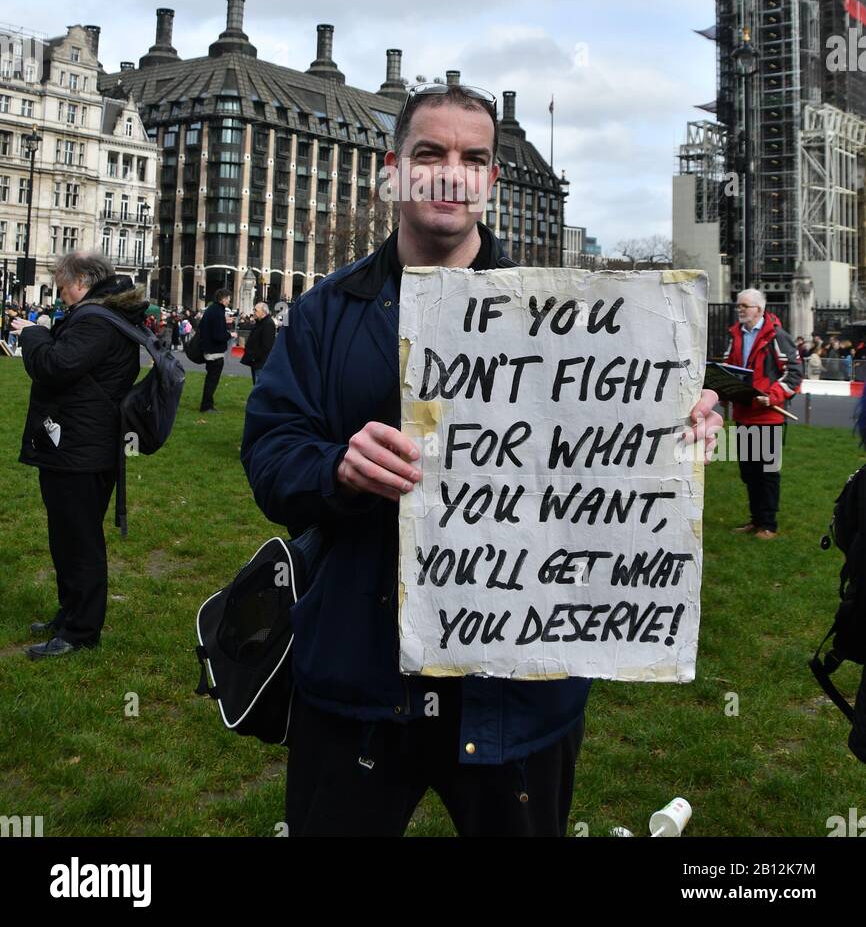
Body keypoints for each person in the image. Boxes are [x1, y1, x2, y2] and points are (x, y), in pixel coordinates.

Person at [241, 82, 723, 838]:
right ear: (393, 170)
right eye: (428, 153)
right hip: (360, 681)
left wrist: (672, 425)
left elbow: (611, 470)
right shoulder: (324, 313)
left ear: (491, 181)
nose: (449, 173)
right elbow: (270, 454)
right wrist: (336, 466)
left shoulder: (571, 321)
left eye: (472, 158)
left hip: (518, 690)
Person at [12, 251, 147, 659]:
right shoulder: (105, 315)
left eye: (64, 285)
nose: (62, 293)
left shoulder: (94, 320)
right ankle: (70, 614)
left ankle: (81, 630)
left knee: (79, 541)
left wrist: (33, 332)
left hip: (79, 449)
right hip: (79, 445)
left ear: (84, 281)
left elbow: (55, 365)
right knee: (67, 536)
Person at [725, 287, 803, 539]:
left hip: (768, 417)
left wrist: (771, 397)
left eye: (744, 306)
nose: (740, 310)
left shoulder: (778, 337)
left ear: (759, 309)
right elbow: (729, 368)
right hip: (743, 414)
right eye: (739, 306)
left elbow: (794, 373)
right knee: (748, 471)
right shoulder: (735, 335)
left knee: (767, 472)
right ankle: (756, 519)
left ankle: (768, 524)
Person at [198, 287, 232, 413]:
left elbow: (203, 327)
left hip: (208, 350)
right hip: (214, 352)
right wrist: (229, 335)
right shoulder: (218, 312)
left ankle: (208, 404)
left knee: (210, 379)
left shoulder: (211, 310)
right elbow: (218, 336)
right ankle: (206, 406)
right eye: (228, 299)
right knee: (212, 381)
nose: (229, 301)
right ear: (223, 299)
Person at [240, 302, 275, 385]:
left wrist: (254, 357)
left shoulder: (268, 324)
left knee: (259, 387)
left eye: (256, 310)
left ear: (263, 312)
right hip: (256, 362)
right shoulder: (260, 322)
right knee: (256, 386)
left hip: (261, 363)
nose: (253, 312)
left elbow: (266, 346)